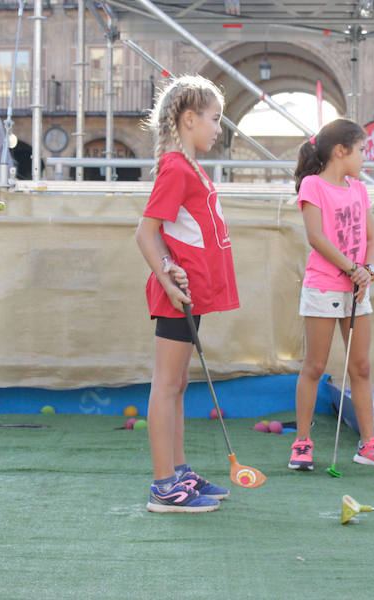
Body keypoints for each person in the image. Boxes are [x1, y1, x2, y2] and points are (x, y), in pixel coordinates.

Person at [135, 75, 239, 514]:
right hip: (178, 296)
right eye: (215, 119)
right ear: (189, 118)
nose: (219, 128)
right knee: (166, 385)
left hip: (191, 294)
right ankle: (164, 486)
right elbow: (145, 233)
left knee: (178, 384)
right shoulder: (176, 167)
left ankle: (179, 471)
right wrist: (167, 278)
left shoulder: (190, 166)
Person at [288, 118, 374, 472]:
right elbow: (316, 237)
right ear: (341, 151)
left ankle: (369, 444)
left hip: (358, 289)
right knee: (315, 366)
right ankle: (303, 442)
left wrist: (369, 270)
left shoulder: (359, 189)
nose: (366, 157)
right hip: (324, 287)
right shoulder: (312, 186)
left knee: (361, 367)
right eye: (362, 149)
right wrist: (351, 268)